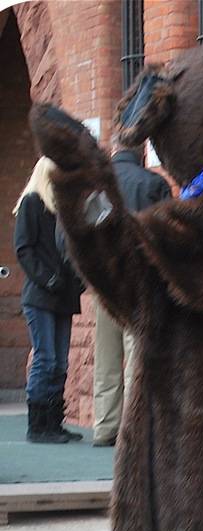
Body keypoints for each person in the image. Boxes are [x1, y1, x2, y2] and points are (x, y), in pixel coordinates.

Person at [90, 138, 171, 446]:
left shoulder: (100, 187)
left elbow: (89, 232)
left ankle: (104, 425)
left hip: (106, 279)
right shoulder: (153, 183)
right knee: (136, 354)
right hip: (141, 279)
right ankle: (132, 429)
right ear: (141, 153)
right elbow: (164, 234)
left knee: (106, 357)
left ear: (114, 151)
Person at [13, 156, 83, 444]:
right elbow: (24, 249)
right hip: (41, 295)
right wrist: (48, 279)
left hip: (63, 297)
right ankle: (37, 425)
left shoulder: (62, 209)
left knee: (61, 364)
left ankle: (54, 423)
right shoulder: (32, 202)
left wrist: (77, 281)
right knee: (46, 359)